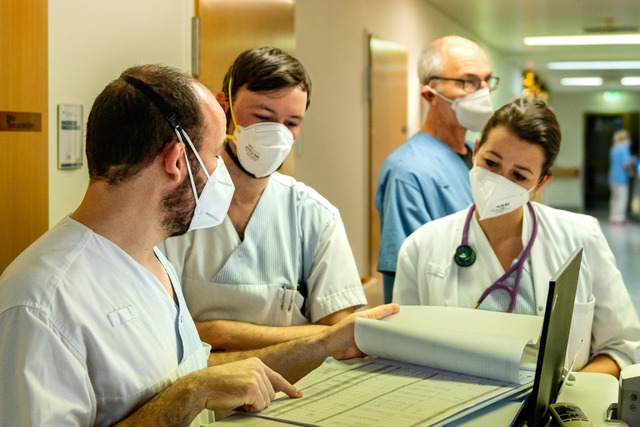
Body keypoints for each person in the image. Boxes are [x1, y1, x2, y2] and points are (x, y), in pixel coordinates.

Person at [0, 64, 399, 426]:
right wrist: (191, 395)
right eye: (213, 157)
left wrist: (328, 342)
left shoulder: (151, 261)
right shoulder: (40, 306)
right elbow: (190, 387)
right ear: (176, 161)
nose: (222, 177)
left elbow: (192, 372)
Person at [393, 98, 640, 378]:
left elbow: (620, 347)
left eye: (519, 176)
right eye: (491, 162)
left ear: (540, 183)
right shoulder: (420, 246)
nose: (500, 181)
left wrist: (565, 398)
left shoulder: (581, 236)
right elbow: (403, 354)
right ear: (475, 152)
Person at [160, 47, 367, 351]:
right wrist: (307, 335)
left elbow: (341, 336)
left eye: (292, 123)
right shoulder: (176, 208)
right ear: (223, 106)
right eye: (262, 117)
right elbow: (156, 333)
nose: (276, 135)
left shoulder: (314, 216)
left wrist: (217, 332)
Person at [375, 35, 498, 303]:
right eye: (469, 81)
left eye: (487, 80)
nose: (484, 91)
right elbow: (410, 274)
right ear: (431, 94)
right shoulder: (408, 171)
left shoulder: (479, 158)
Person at [609, 129, 634, 225]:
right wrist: (632, 160)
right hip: (621, 178)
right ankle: (619, 219)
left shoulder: (614, 148)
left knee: (614, 198)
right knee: (622, 198)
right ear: (625, 138)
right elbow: (626, 164)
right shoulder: (624, 148)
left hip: (612, 178)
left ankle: (613, 217)